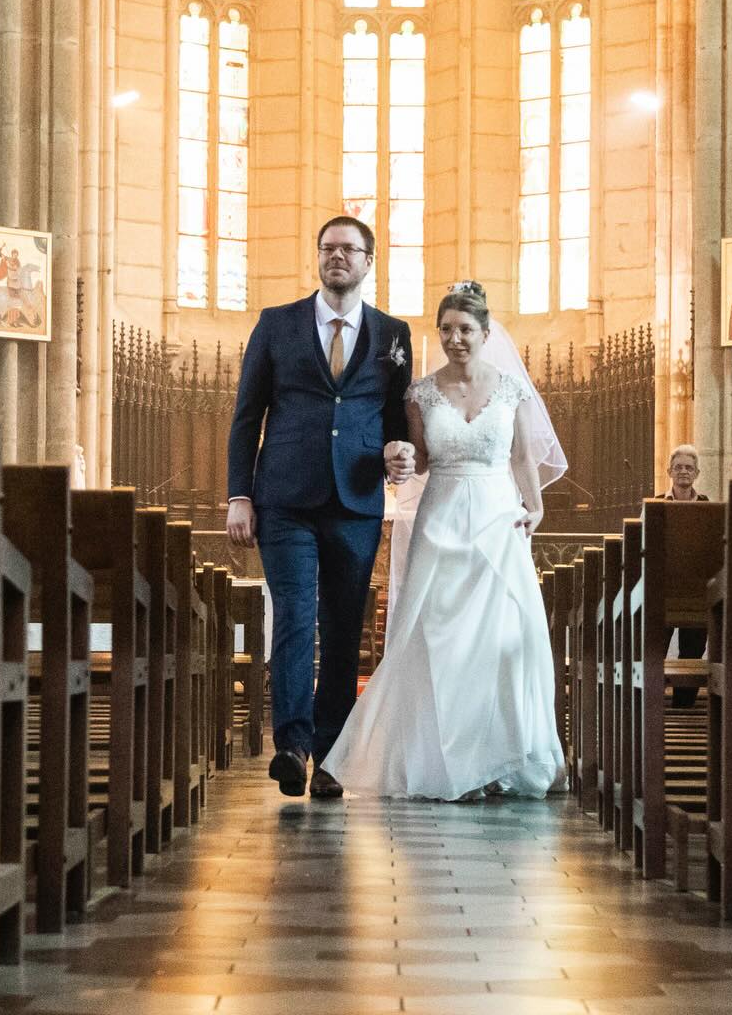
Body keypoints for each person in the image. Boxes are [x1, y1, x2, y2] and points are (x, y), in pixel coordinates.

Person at [322, 281, 566, 801]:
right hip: (441, 518)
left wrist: (536, 505)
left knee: (500, 641)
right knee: (439, 638)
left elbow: (522, 456)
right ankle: (446, 762)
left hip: (497, 521)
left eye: (466, 330)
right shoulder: (421, 394)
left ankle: (497, 759)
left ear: (486, 332)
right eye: (447, 329)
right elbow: (422, 460)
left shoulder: (511, 390)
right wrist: (400, 459)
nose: (455, 339)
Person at [226, 216, 415, 799]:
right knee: (293, 617)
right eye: (329, 248)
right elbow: (247, 414)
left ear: (368, 262)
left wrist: (398, 452)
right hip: (284, 497)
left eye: (349, 249)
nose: (338, 256)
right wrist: (239, 495)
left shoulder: (393, 333)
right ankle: (292, 745)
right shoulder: (276, 324)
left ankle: (331, 756)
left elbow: (394, 417)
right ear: (318, 257)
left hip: (355, 501)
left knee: (342, 627)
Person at [661, 444, 708, 707]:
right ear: (669, 471)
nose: (683, 472)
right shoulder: (655, 504)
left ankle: (684, 705)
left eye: (689, 468)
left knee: (693, 649)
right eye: (678, 467)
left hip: (696, 590)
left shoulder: (708, 506)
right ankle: (653, 705)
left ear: (697, 473)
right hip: (663, 588)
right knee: (655, 648)